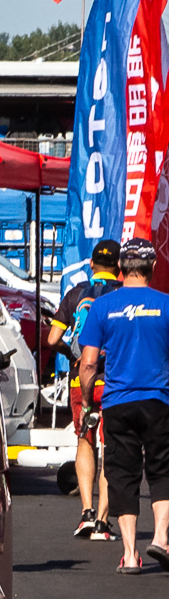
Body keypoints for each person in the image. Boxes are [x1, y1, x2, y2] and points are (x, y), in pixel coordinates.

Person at [77, 238, 169, 573]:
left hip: (117, 402)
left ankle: (130, 554)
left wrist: (88, 402)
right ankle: (161, 536)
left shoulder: (103, 307)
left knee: (122, 474)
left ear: (120, 269)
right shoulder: (166, 305)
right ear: (153, 268)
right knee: (162, 470)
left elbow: (87, 364)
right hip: (159, 400)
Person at [48, 238, 121, 539]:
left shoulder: (75, 293)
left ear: (91, 264)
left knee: (85, 441)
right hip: (116, 380)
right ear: (118, 267)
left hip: (81, 379)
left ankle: (86, 514)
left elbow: (52, 339)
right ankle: (103, 523)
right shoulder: (122, 294)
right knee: (112, 446)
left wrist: (71, 354)